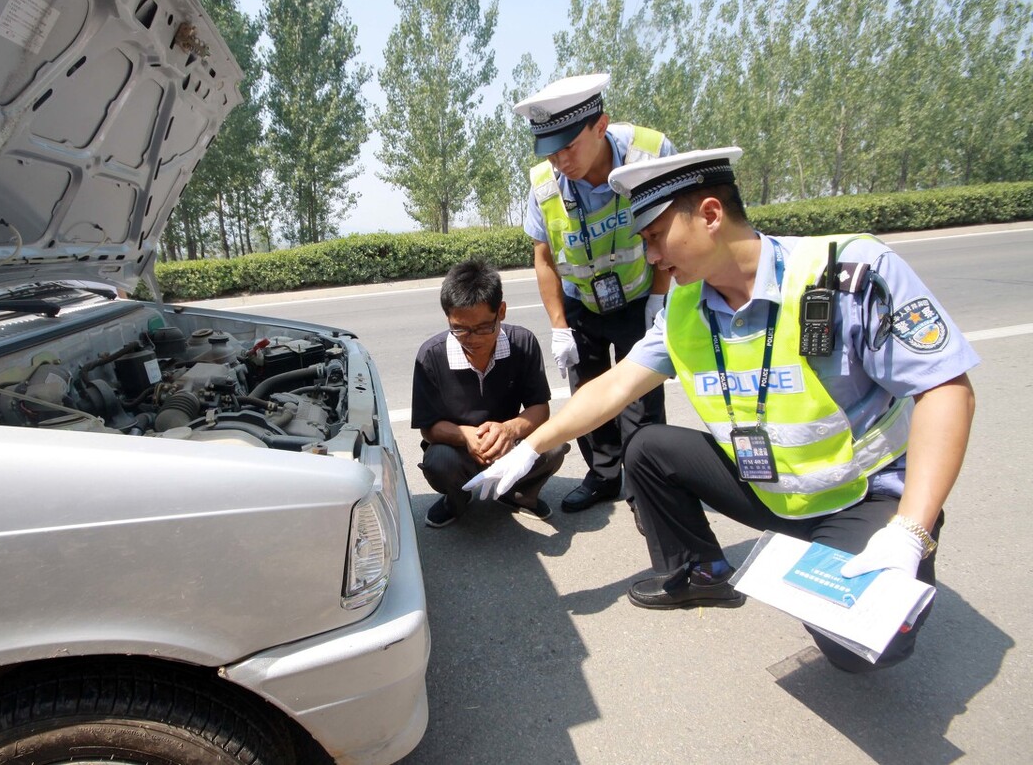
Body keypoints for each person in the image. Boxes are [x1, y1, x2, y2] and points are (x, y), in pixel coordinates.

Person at [466, 147, 978, 672]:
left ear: (710, 215)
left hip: (858, 495)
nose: (650, 257)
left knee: (861, 649)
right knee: (648, 447)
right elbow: (614, 387)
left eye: (655, 237)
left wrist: (910, 530)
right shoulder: (685, 306)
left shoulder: (846, 273)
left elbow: (946, 389)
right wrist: (530, 447)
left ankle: (902, 549)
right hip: (766, 483)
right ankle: (703, 573)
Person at [514, 73, 676, 514]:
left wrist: (660, 302)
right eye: (550, 151)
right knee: (586, 393)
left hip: (641, 295)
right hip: (581, 302)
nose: (559, 161)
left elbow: (674, 231)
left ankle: (647, 490)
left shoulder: (650, 153)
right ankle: (603, 476)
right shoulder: (544, 184)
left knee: (640, 401)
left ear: (600, 126)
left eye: (568, 147)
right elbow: (544, 258)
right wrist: (559, 327)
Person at [412, 260, 570, 528]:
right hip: (458, 449)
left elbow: (540, 410)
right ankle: (456, 501)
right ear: (448, 318)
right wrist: (466, 437)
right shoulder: (431, 355)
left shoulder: (523, 343)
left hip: (510, 446)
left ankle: (518, 494)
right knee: (439, 461)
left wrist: (508, 430)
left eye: (484, 327)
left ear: (502, 311)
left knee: (553, 445)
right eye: (460, 328)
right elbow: (429, 429)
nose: (472, 338)